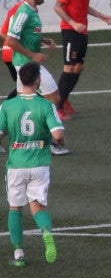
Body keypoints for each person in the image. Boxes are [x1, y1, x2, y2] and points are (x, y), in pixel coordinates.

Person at [0, 63, 66, 267]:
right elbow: (58, 135)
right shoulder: (46, 105)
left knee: (15, 208)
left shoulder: (7, 106)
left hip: (16, 165)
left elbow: (0, 134)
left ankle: (19, 254)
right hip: (40, 164)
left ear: (20, 80)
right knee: (37, 207)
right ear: (37, 80)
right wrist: (56, 142)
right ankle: (46, 232)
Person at [3, 0, 66, 154]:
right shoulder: (24, 12)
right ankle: (54, 141)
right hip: (26, 65)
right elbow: (10, 40)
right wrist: (33, 55)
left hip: (26, 63)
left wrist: (44, 40)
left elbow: (27, 34)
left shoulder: (32, 10)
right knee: (53, 97)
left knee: (21, 105)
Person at [52, 0, 111, 119]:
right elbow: (58, 7)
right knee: (69, 67)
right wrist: (73, 23)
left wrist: (101, 16)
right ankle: (57, 107)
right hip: (70, 31)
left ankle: (64, 100)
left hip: (82, 31)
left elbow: (83, 6)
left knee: (79, 67)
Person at [2, 0, 20, 100]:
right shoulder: (26, 10)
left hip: (8, 53)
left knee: (24, 85)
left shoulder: (15, 8)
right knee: (32, 83)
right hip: (16, 55)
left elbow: (3, 32)